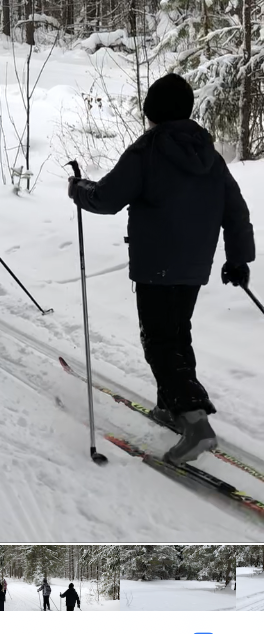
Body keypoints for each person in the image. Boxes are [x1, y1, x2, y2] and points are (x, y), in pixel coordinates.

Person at [68, 73, 255, 466]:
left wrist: (78, 189)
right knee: (176, 332)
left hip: (155, 264)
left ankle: (195, 422)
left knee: (159, 341)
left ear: (152, 112)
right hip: (193, 266)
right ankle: (170, 407)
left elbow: (107, 197)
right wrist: (238, 259)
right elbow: (235, 211)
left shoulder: (147, 149)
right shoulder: (209, 154)